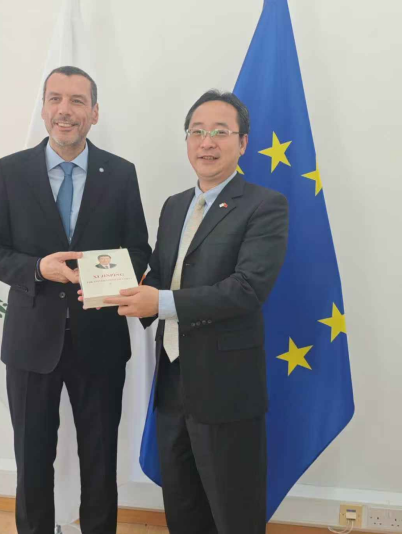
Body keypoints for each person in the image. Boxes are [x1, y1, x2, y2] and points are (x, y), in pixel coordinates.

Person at [0, 66, 151, 534]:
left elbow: (139, 249)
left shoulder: (121, 174)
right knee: (32, 462)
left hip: (101, 340)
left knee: (100, 459)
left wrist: (107, 280)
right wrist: (38, 268)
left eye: (76, 101)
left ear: (94, 112)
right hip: (31, 343)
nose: (64, 110)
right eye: (55, 99)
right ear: (43, 108)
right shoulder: (11, 172)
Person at [104, 90, 289, 534]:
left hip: (226, 389)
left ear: (243, 143)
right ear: (187, 140)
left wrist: (160, 302)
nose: (207, 142)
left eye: (220, 132)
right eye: (197, 131)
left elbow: (247, 289)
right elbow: (161, 275)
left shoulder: (265, 205)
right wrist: (112, 288)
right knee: (182, 510)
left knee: (234, 514)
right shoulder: (174, 206)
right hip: (171, 383)